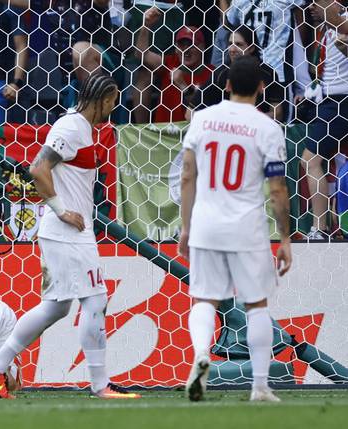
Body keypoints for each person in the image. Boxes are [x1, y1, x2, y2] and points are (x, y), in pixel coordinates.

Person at [0, 74, 140, 400]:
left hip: (67, 233)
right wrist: (62, 209)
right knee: (95, 300)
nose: (114, 105)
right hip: (68, 232)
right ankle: (100, 385)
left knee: (56, 307)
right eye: (113, 99)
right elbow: (38, 169)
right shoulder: (71, 127)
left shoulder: (82, 128)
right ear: (104, 99)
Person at [178, 56, 292, 402]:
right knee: (256, 305)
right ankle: (259, 386)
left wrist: (186, 227)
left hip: (207, 224)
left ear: (226, 85)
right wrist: (285, 238)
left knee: (204, 299)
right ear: (261, 88)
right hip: (247, 227)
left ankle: (200, 354)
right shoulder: (268, 128)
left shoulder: (202, 119)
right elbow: (276, 188)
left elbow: (187, 173)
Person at [300, 0, 348, 239]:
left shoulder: (343, 20)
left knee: (310, 160)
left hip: (341, 101)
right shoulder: (326, 27)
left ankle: (319, 228)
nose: (311, 6)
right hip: (328, 100)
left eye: (317, 1)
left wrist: (335, 20)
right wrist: (311, 93)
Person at [187, 26, 284, 120]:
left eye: (239, 44)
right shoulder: (220, 74)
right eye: (230, 44)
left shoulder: (267, 73)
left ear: (251, 48)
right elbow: (190, 113)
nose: (232, 49)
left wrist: (249, 121)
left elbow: (278, 114)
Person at [134, 7, 213, 123]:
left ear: (202, 47)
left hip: (192, 135)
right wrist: (146, 26)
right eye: (182, 45)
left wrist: (183, 86)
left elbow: (204, 112)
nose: (186, 50)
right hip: (163, 136)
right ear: (176, 49)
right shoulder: (170, 63)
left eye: (191, 45)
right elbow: (141, 54)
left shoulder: (212, 74)